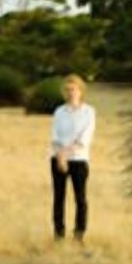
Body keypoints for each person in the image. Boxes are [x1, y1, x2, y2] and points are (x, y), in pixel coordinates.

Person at [49, 74, 95, 244]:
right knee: (58, 198)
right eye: (67, 90)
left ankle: (79, 234)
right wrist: (60, 157)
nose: (70, 93)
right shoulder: (59, 112)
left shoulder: (89, 112)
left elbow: (84, 139)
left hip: (79, 159)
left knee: (80, 198)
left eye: (73, 89)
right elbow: (55, 137)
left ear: (80, 91)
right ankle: (58, 234)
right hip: (57, 158)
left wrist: (65, 154)